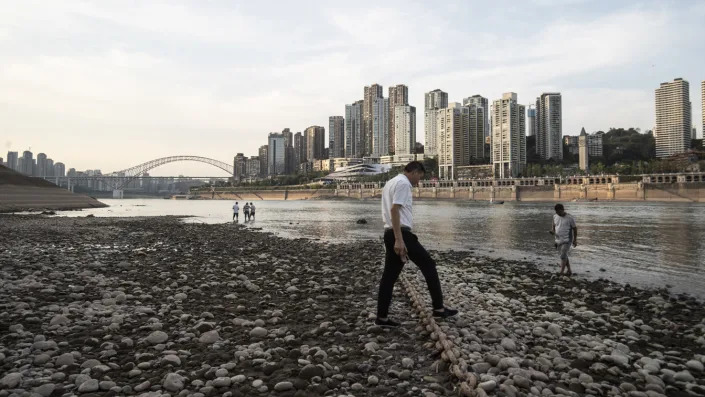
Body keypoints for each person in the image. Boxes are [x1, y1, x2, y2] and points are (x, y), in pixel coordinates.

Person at [376, 161, 458, 327]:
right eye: (419, 177)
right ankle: (439, 308)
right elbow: (394, 210)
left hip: (390, 232)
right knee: (429, 265)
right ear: (414, 172)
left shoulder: (390, 182)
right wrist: (399, 240)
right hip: (401, 234)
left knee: (389, 277)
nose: (419, 181)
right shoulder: (403, 184)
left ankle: (382, 317)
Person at [550, 203, 578, 276]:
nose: (558, 213)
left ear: (563, 210)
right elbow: (553, 225)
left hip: (567, 239)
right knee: (564, 255)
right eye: (556, 212)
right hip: (558, 239)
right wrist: (552, 231)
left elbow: (575, 229)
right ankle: (569, 270)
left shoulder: (570, 218)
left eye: (559, 212)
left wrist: (575, 240)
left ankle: (561, 272)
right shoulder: (555, 216)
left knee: (563, 254)